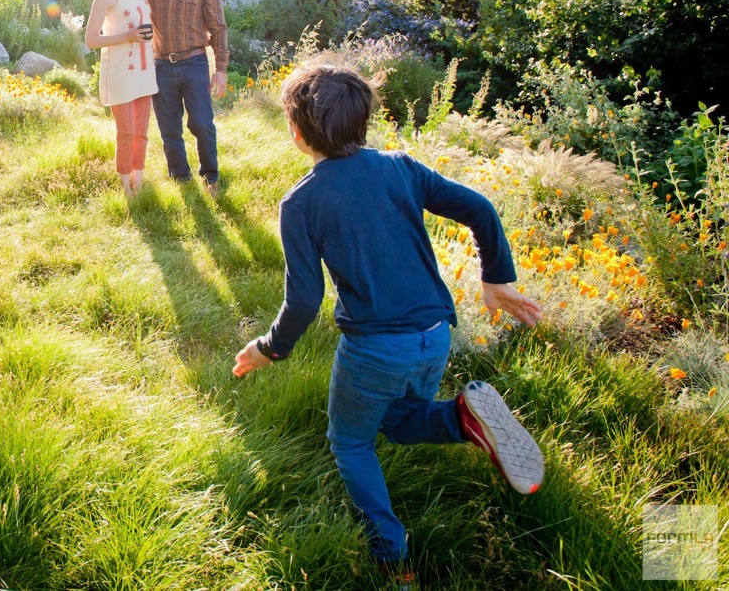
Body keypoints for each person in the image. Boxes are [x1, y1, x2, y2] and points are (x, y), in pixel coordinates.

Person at [232, 65, 545, 586]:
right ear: (363, 121)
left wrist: (271, 348)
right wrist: (497, 279)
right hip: (436, 335)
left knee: (351, 442)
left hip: (375, 349)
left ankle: (390, 550)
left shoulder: (301, 203)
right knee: (400, 420)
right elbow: (480, 208)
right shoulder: (401, 167)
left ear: (297, 131)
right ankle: (465, 419)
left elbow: (305, 298)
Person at [141, 0, 229, 193]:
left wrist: (221, 69)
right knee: (169, 127)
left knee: (202, 122)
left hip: (195, 63)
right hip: (161, 65)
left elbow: (218, 29)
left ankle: (210, 176)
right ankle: (180, 177)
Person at [84, 0, 158, 198]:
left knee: (142, 131)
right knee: (126, 131)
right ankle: (125, 187)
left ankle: (139, 181)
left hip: (143, 68)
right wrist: (127, 36)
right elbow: (91, 39)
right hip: (119, 71)